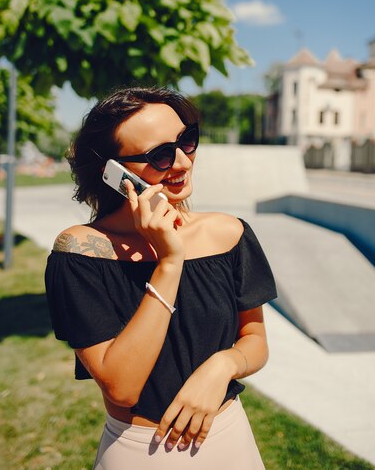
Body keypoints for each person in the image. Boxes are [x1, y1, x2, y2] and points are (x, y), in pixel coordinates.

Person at [45, 86, 278, 469]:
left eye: (186, 141)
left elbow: (254, 340)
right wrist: (169, 262)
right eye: (160, 156)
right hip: (141, 450)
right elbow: (122, 385)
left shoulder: (228, 233)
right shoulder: (82, 251)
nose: (183, 163)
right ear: (112, 171)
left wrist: (221, 367)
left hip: (230, 437)